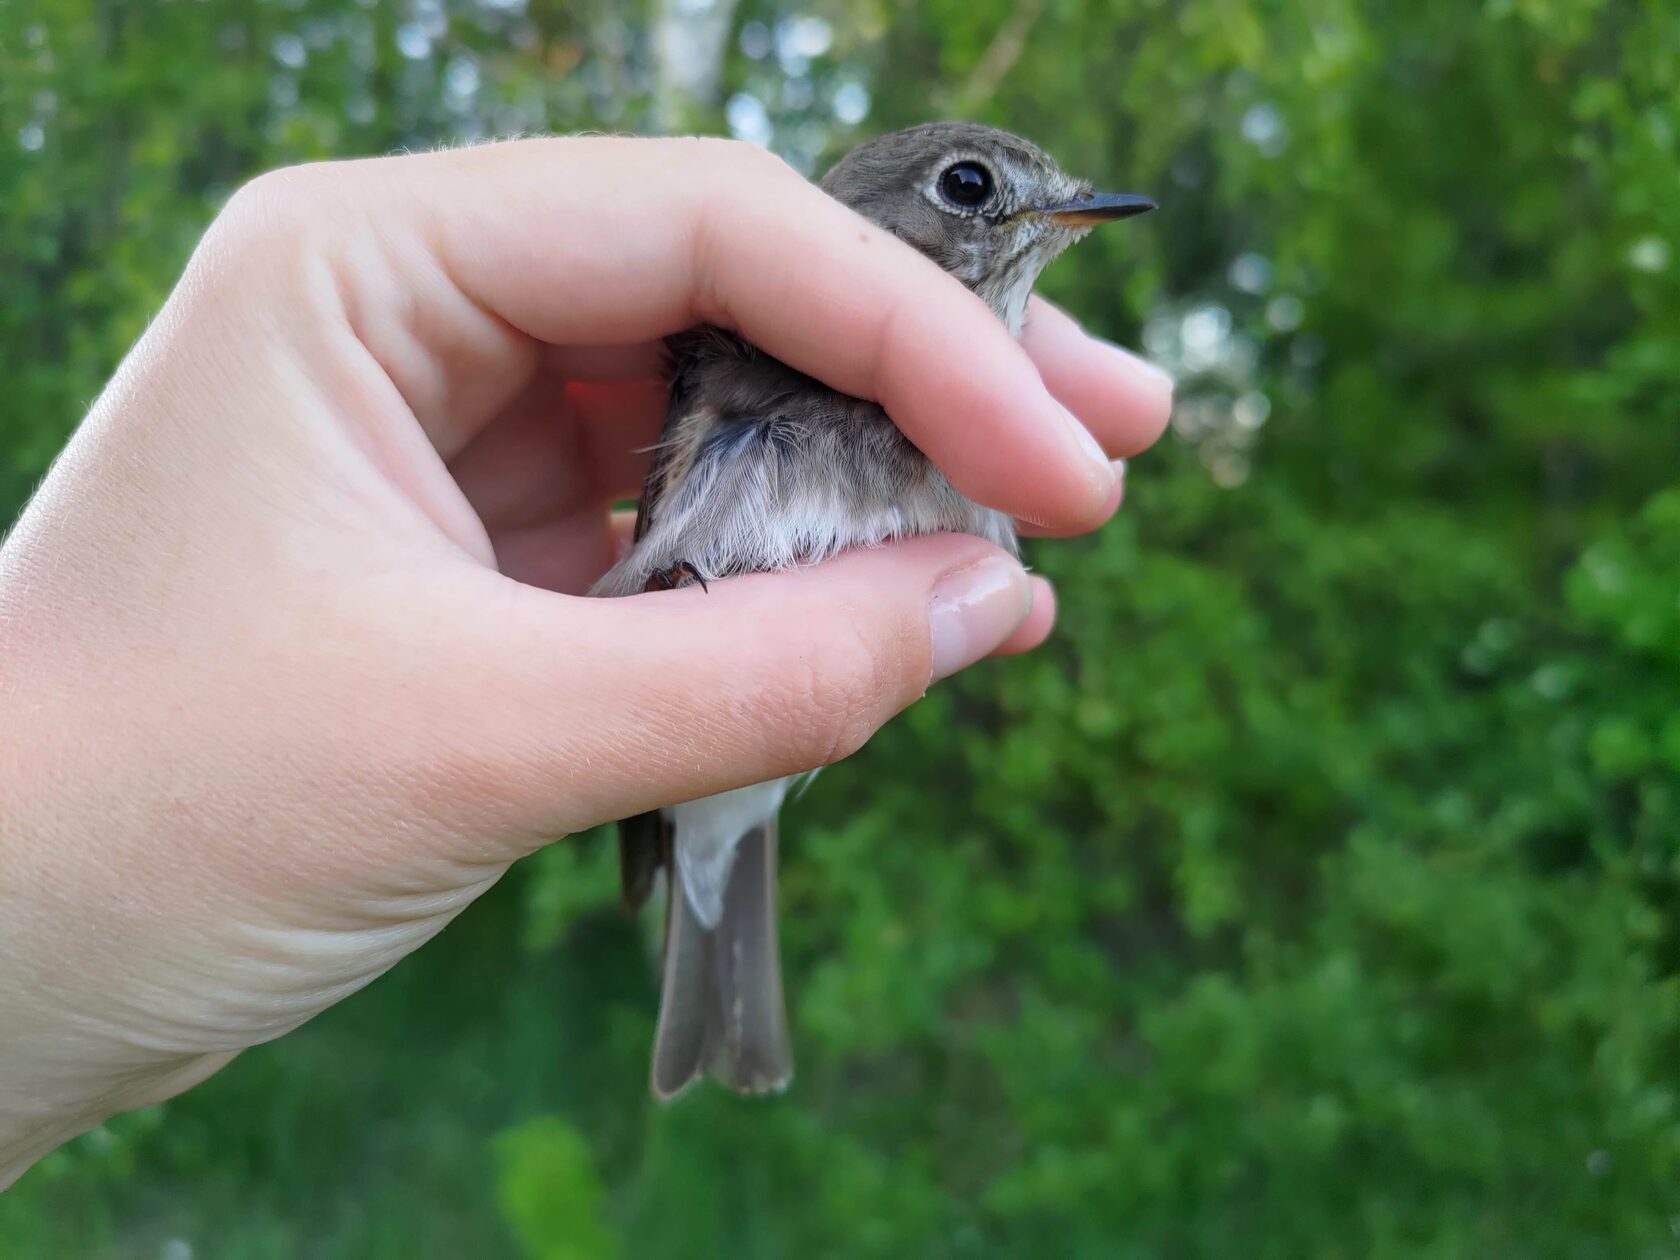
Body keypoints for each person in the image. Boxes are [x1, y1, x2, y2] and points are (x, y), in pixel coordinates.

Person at [0, 136, 1173, 1186]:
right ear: (869, 221)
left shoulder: (979, 386)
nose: (1025, 217)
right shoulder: (759, 352)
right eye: (973, 192)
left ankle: (710, 936)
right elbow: (674, 559)